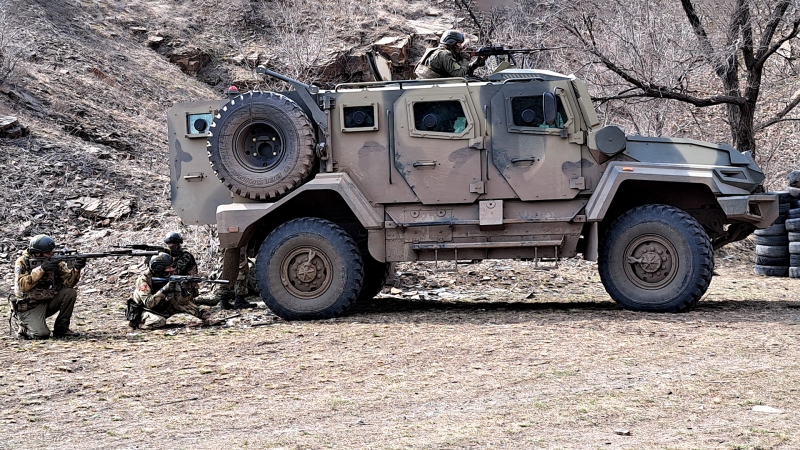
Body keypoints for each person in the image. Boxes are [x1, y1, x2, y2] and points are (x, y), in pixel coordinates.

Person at [11, 234, 85, 339]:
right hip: (29, 307)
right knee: (41, 335)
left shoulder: (54, 261)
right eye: (48, 252)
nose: (51, 254)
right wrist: (41, 269)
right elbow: (23, 286)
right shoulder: (23, 262)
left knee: (69, 292)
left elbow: (68, 284)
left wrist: (77, 269)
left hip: (48, 301)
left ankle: (62, 329)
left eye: (51, 251)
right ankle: (24, 328)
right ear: (37, 253)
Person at [129, 252, 210, 329]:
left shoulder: (168, 275)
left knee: (180, 303)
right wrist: (164, 290)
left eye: (172, 266)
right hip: (142, 310)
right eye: (168, 268)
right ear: (159, 268)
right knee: (159, 321)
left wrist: (184, 287)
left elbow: (182, 302)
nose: (172, 269)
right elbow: (148, 303)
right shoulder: (144, 280)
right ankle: (137, 324)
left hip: (160, 306)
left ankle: (204, 316)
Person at [414, 29, 486, 79]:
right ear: (452, 43)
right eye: (459, 44)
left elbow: (460, 70)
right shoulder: (445, 54)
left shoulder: (443, 52)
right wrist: (465, 59)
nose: (461, 47)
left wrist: (475, 64)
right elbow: (459, 74)